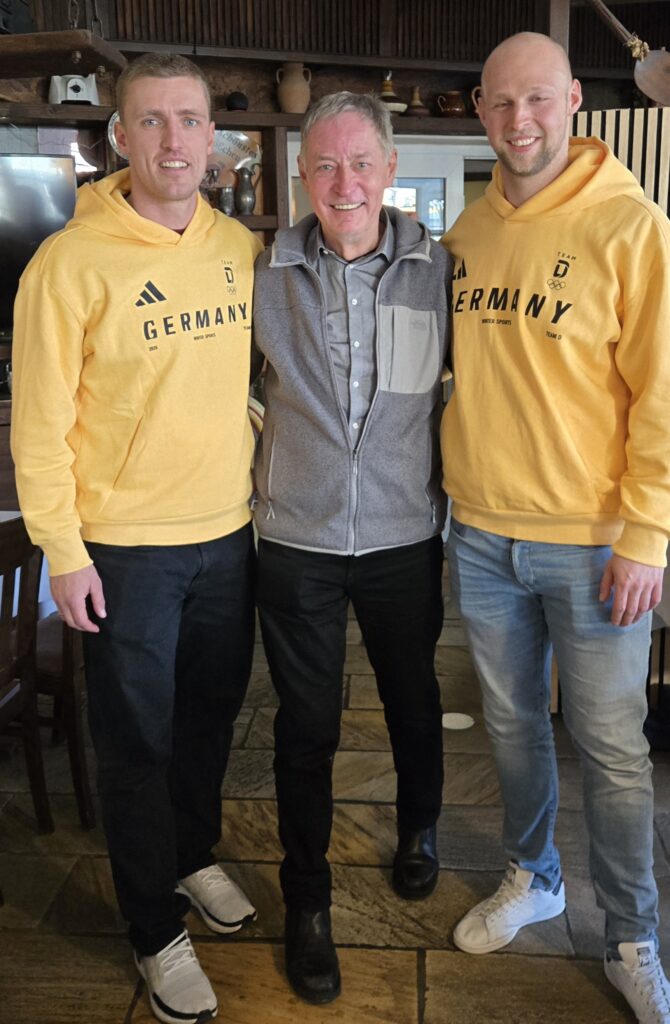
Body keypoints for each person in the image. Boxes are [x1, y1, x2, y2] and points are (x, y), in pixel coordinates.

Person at [11, 53, 262, 1024]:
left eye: (188, 121)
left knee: (208, 719)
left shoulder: (237, 247)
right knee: (134, 745)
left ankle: (190, 854)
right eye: (150, 121)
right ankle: (154, 931)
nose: (171, 141)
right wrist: (63, 551)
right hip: (123, 551)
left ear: (212, 137)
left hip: (226, 536)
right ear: (119, 136)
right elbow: (38, 425)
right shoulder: (66, 265)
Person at [441, 31, 670, 1024]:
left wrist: (647, 535)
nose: (518, 122)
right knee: (512, 727)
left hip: (593, 544)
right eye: (499, 104)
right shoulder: (468, 230)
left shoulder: (632, 225)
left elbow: (663, 397)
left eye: (536, 100)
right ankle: (534, 875)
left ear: (574, 99)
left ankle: (631, 931)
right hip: (480, 535)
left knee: (614, 752)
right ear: (480, 111)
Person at [251, 91, 451, 1005]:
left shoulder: (436, 269)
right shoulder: (264, 273)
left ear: (389, 169)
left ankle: (419, 829)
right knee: (307, 729)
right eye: (325, 165)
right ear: (303, 175)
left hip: (406, 534)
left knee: (414, 703)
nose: (344, 183)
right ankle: (308, 905)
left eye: (360, 163)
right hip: (298, 539)